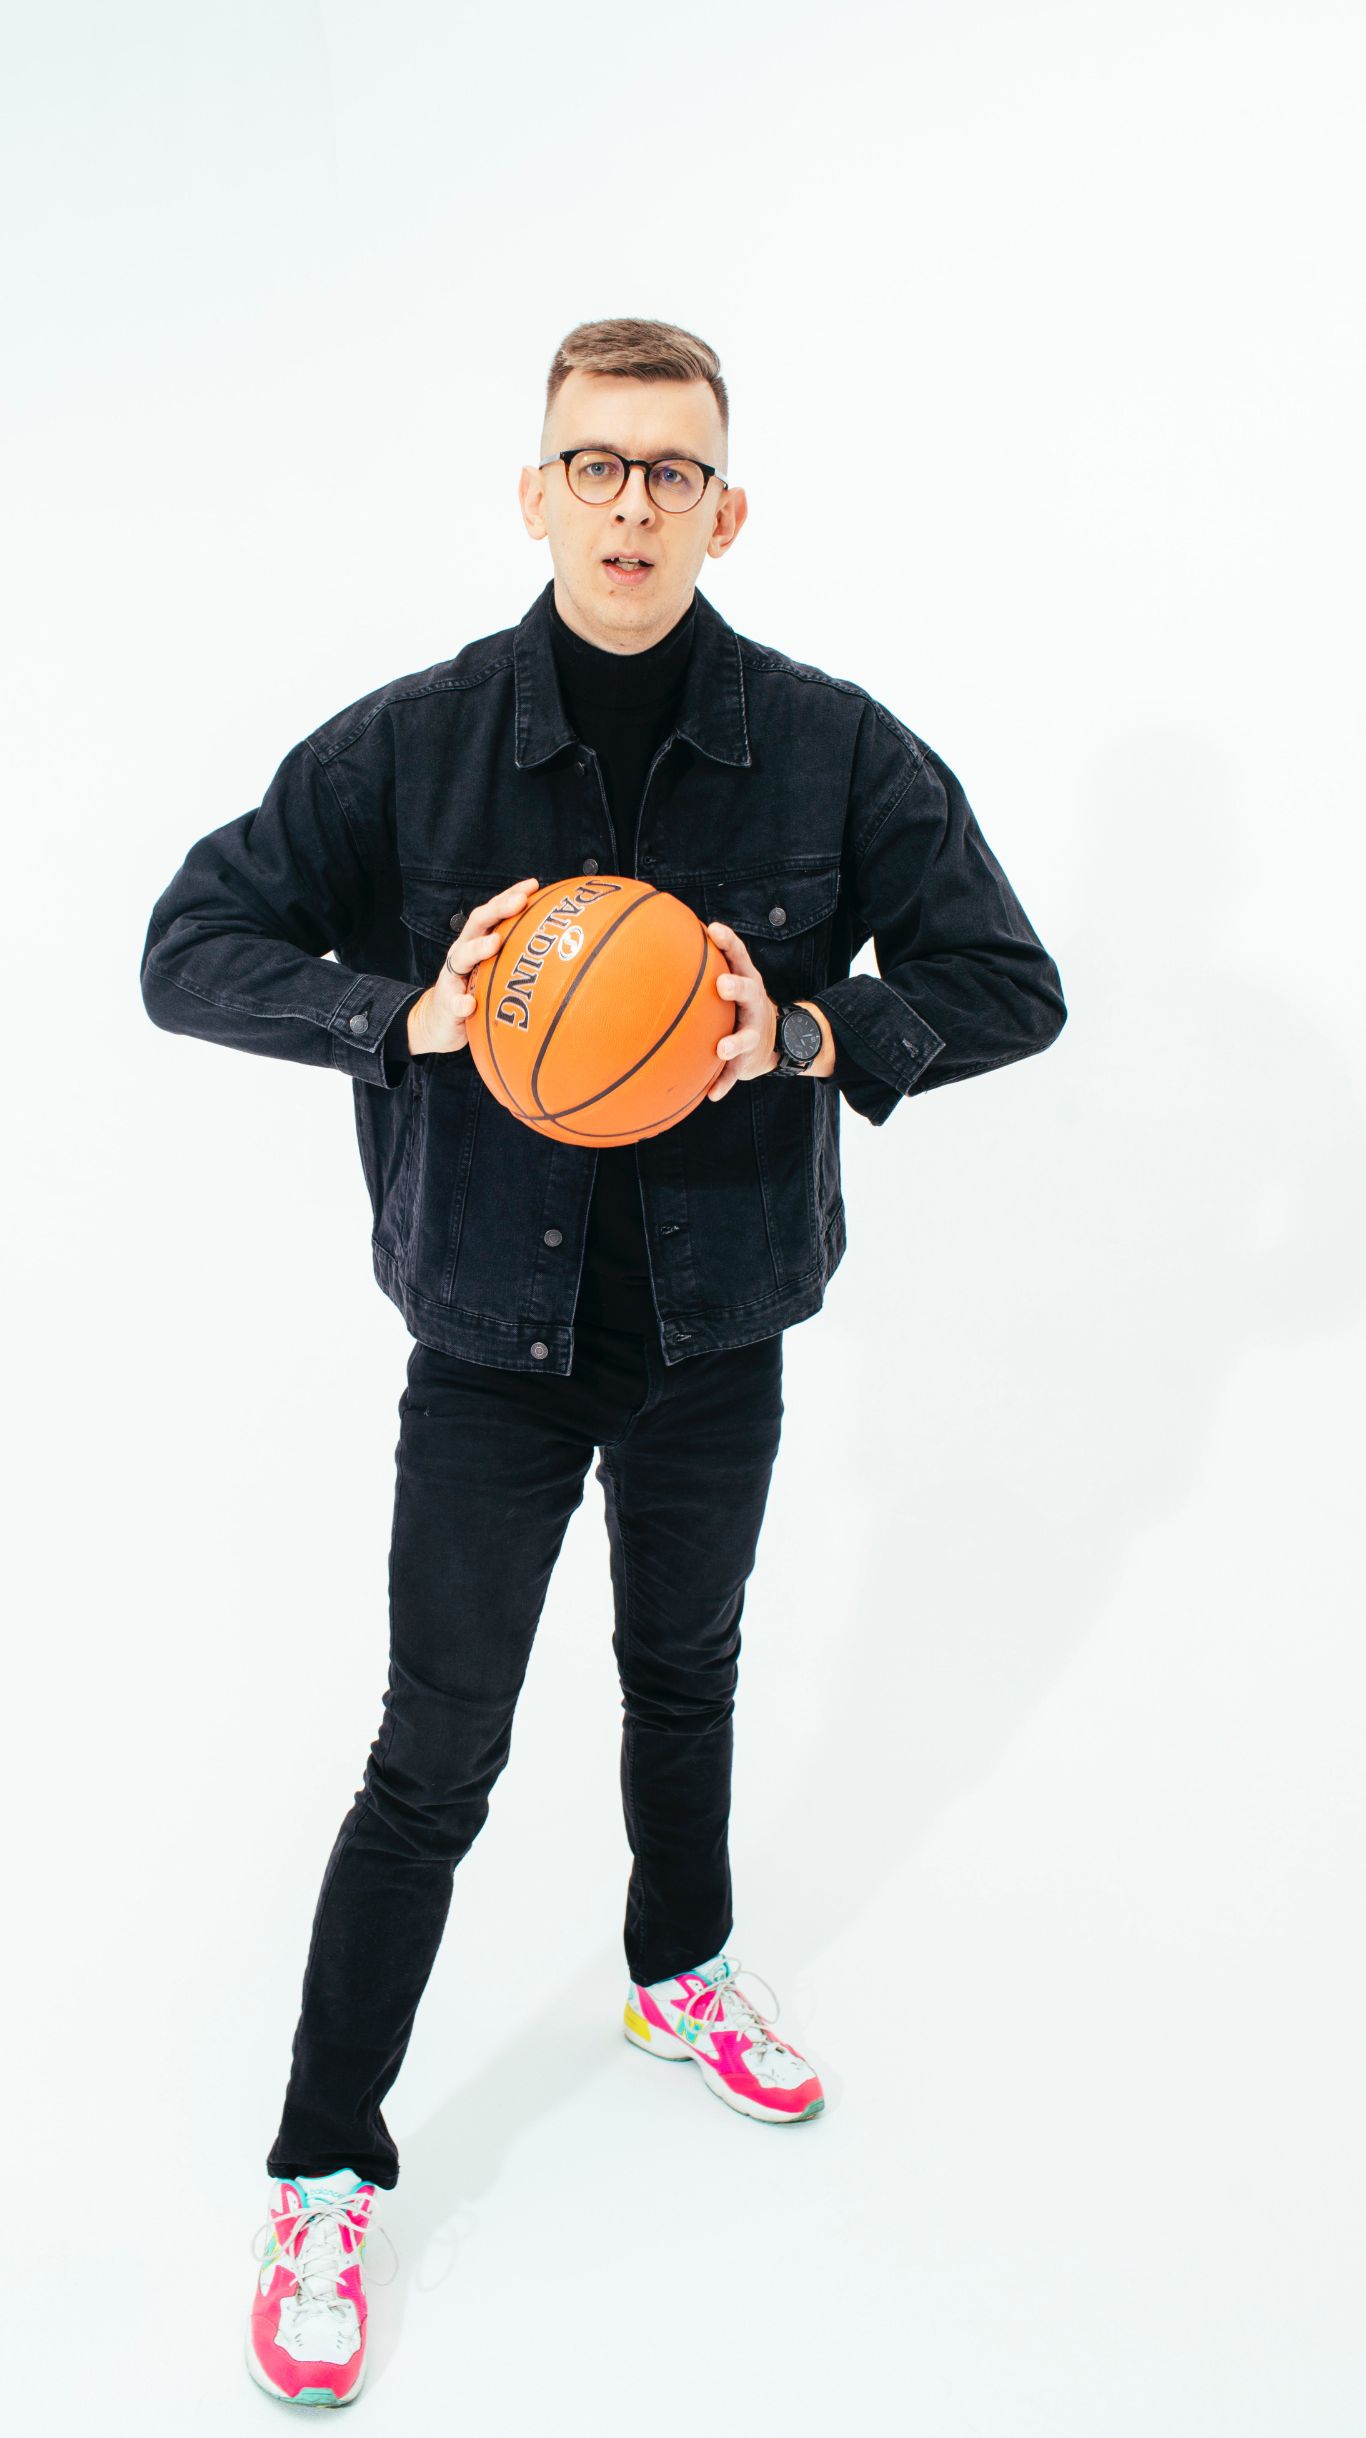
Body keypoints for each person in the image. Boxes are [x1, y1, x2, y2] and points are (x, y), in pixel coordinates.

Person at [141, 318, 1066, 2406]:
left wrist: (800, 1031)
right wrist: (408, 1015)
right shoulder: (411, 747)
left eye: (669, 472)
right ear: (534, 493)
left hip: (717, 1328)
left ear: (725, 511)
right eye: (594, 464)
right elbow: (187, 947)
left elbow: (1007, 981)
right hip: (489, 1336)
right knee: (431, 1756)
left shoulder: (830, 746)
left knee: (686, 1670)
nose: (629, 504)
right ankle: (321, 2164)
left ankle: (675, 1966)